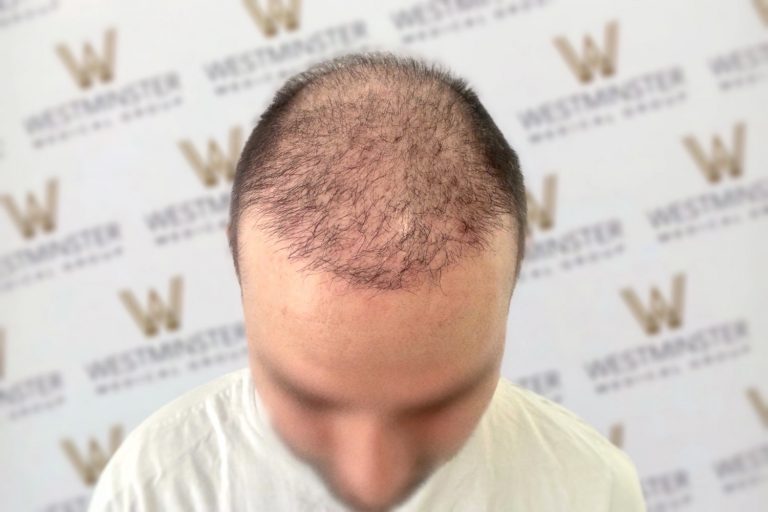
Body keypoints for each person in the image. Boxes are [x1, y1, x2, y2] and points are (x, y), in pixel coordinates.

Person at [88, 51, 647, 512]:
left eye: (436, 405)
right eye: (310, 402)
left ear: (516, 276)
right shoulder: (157, 492)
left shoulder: (589, 491)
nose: (372, 481)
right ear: (236, 264)